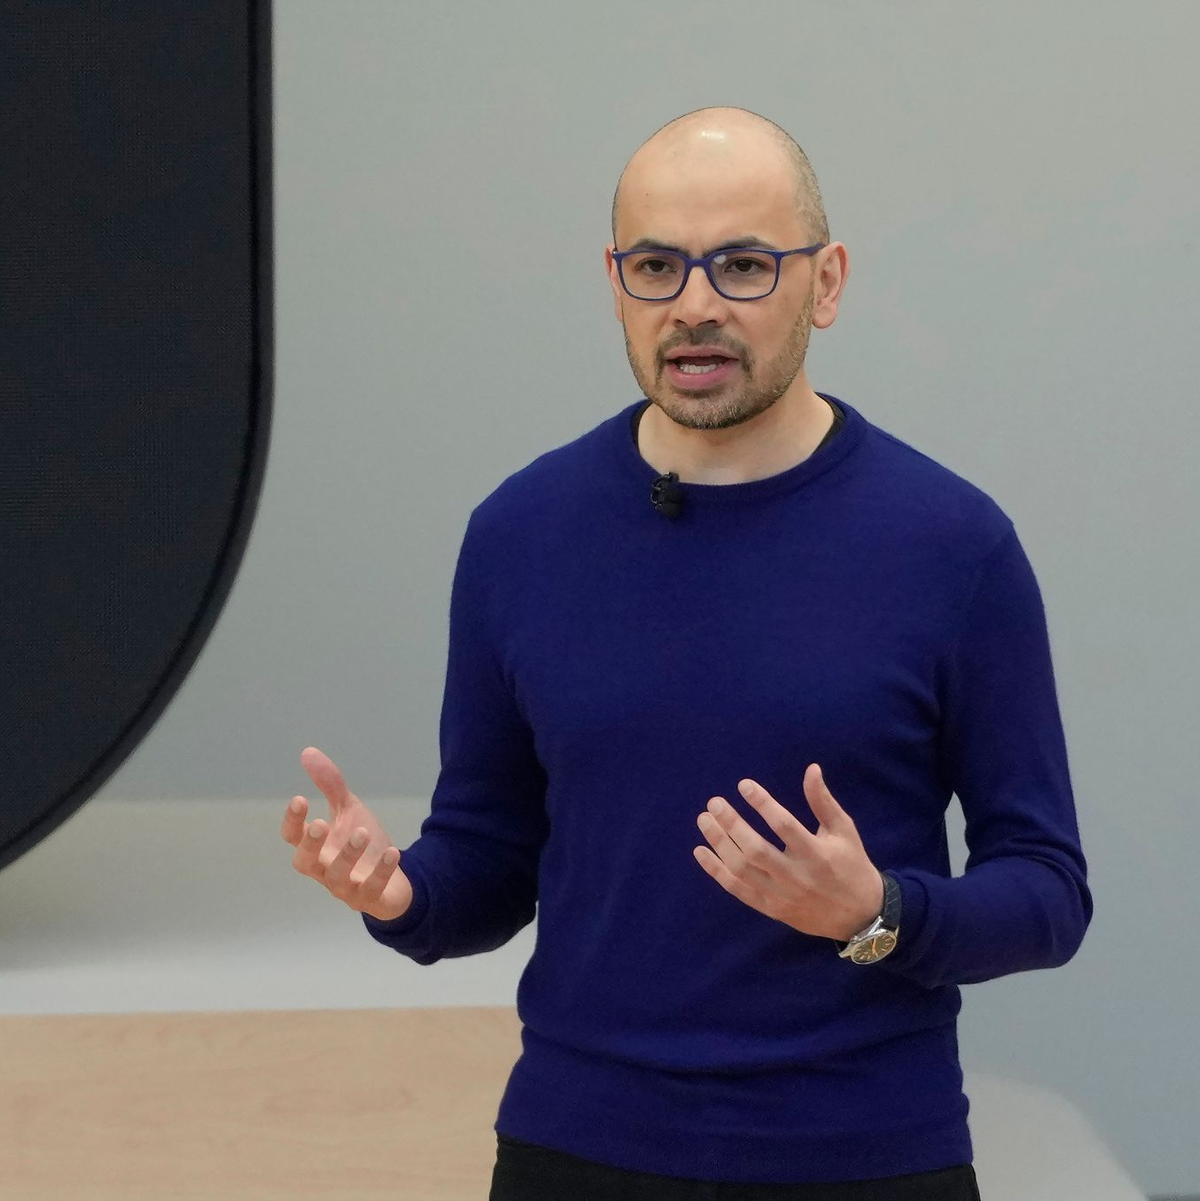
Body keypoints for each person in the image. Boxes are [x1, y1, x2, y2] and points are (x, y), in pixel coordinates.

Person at [281, 106, 1091, 1200]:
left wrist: (878, 913)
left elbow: (1046, 891)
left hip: (862, 1155)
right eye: (658, 265)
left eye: (745, 265)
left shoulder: (952, 546)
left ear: (828, 282)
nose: (695, 306)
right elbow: (488, 858)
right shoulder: (521, 533)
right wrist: (398, 894)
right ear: (615, 281)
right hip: (578, 1151)